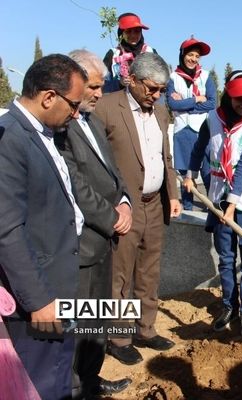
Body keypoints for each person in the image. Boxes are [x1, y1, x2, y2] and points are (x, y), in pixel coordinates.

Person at [0, 54, 86, 399]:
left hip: (57, 286)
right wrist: (38, 301)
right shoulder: (10, 141)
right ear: (49, 97)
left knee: (57, 375)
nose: (77, 114)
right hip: (38, 300)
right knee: (40, 383)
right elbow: (7, 230)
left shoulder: (40, 133)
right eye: (74, 105)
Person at [54, 49, 133, 398]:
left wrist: (125, 201)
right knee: (77, 323)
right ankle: (72, 387)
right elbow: (75, 183)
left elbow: (113, 173)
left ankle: (90, 380)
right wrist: (112, 216)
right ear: (77, 81)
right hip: (83, 242)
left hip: (105, 241)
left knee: (98, 319)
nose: (101, 94)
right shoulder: (62, 129)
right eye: (96, 87)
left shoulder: (94, 122)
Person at [94, 52, 181, 365]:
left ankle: (146, 329)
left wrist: (172, 194)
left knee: (149, 271)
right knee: (120, 276)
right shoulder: (105, 108)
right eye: (151, 89)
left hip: (154, 205)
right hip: (123, 208)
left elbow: (165, 157)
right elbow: (95, 163)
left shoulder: (160, 112)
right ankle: (118, 337)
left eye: (161, 90)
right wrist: (112, 203)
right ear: (132, 79)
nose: (156, 96)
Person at [183, 71, 242, 336]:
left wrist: (232, 204)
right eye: (239, 97)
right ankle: (228, 306)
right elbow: (199, 148)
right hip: (219, 198)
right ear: (228, 96)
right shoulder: (211, 120)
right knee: (226, 258)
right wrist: (190, 175)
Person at [167, 36, 217, 211]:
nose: (193, 59)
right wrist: (196, 99)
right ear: (182, 55)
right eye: (190, 54)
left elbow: (212, 103)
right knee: (185, 174)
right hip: (182, 131)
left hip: (203, 130)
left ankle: (213, 208)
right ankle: (188, 209)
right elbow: (173, 104)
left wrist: (185, 105)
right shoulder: (172, 77)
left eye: (197, 56)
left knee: (207, 171)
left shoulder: (206, 76)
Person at [103, 12, 157, 93]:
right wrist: (119, 83)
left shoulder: (150, 52)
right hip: (119, 102)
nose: (133, 35)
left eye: (137, 31)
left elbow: (161, 80)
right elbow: (101, 85)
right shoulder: (113, 54)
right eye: (128, 31)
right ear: (121, 33)